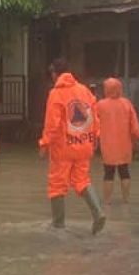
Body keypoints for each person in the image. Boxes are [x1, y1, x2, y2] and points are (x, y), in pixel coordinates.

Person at [39, 58, 106, 235]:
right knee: (82, 180)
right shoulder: (84, 90)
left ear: (55, 73)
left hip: (63, 148)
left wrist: (44, 144)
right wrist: (95, 138)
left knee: (57, 184)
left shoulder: (56, 94)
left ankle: (58, 226)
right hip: (84, 144)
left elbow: (52, 124)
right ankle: (98, 212)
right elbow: (95, 117)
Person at [95, 77, 139, 204]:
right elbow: (135, 125)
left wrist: (94, 140)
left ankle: (107, 201)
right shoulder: (126, 104)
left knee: (108, 173)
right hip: (124, 144)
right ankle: (126, 199)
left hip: (107, 144)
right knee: (124, 171)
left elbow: (93, 124)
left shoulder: (100, 105)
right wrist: (137, 138)